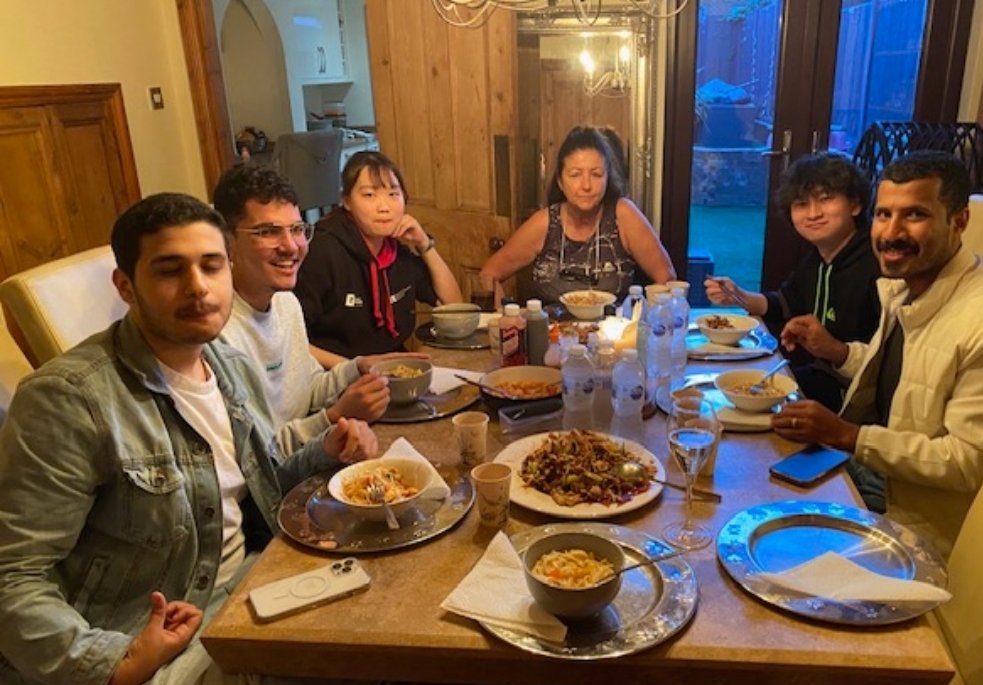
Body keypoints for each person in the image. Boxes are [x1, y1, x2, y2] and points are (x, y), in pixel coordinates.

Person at [0, 194, 378, 685]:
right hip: (140, 641)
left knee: (386, 625)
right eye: (169, 270)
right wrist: (117, 662)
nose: (198, 287)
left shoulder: (227, 363)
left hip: (247, 587)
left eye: (211, 265)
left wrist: (325, 449)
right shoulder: (68, 400)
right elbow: (13, 575)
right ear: (126, 286)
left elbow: (258, 482)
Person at [771, 151, 983, 557]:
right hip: (882, 472)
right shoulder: (911, 285)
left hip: (922, 523)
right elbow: (912, 376)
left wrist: (846, 435)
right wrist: (839, 352)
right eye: (884, 214)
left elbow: (969, 461)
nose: (891, 233)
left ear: (959, 221)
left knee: (771, 540)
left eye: (915, 215)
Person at [213, 164, 427, 453]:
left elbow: (308, 389)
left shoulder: (285, 302)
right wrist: (335, 415)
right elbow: (257, 456)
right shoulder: (219, 335)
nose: (291, 246)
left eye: (297, 229)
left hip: (312, 452)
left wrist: (358, 367)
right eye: (268, 232)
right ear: (227, 241)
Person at [705, 152, 880, 410]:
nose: (813, 213)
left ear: (855, 204)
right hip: (821, 379)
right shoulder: (818, 258)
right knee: (719, 394)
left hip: (860, 402)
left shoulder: (877, 264)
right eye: (801, 204)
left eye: (826, 199)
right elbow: (785, 302)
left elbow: (891, 364)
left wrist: (834, 349)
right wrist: (738, 295)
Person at [296, 151, 463, 364]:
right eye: (369, 195)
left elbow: (455, 308)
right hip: (335, 372)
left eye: (393, 194)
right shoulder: (322, 251)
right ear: (347, 201)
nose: (384, 207)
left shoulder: (396, 251)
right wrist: (355, 369)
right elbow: (292, 340)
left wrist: (424, 244)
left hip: (392, 367)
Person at [479, 125, 676, 305]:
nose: (586, 185)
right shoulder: (544, 223)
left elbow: (667, 279)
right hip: (551, 331)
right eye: (575, 174)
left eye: (596, 174)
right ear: (560, 181)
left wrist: (648, 319)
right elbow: (489, 274)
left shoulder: (624, 215)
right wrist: (502, 316)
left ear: (608, 178)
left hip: (615, 331)